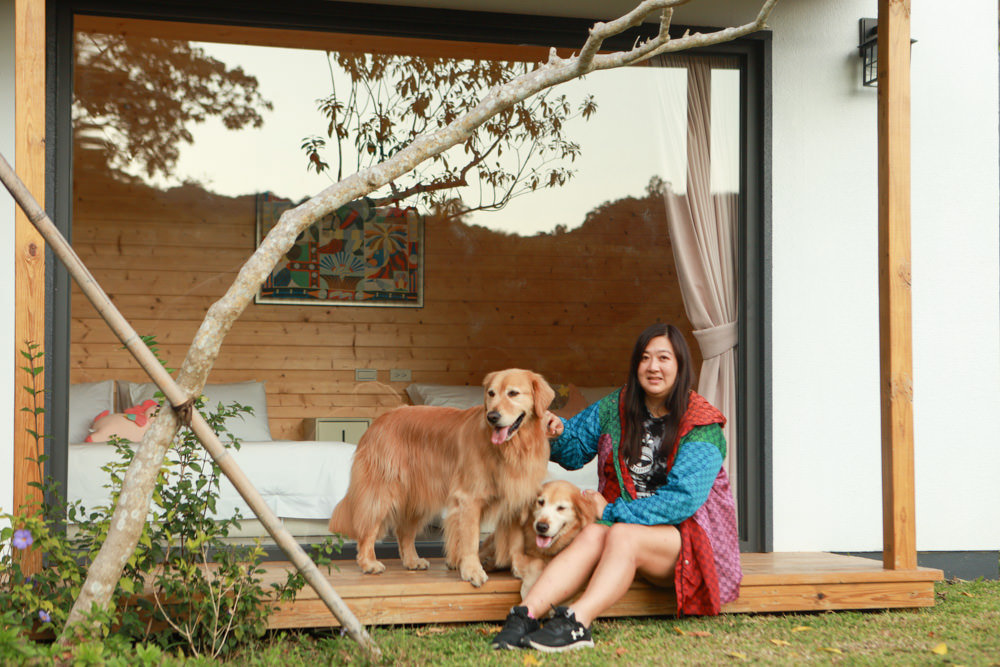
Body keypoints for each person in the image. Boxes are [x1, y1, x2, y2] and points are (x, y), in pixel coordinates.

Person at [491, 322, 741, 652]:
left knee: (619, 531)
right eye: (645, 358)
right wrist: (557, 431)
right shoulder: (618, 405)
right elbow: (576, 446)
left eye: (664, 358)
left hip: (686, 541)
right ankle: (525, 615)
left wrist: (610, 510)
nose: (653, 367)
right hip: (625, 531)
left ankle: (577, 622)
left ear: (680, 366)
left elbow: (683, 500)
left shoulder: (701, 424)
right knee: (595, 532)